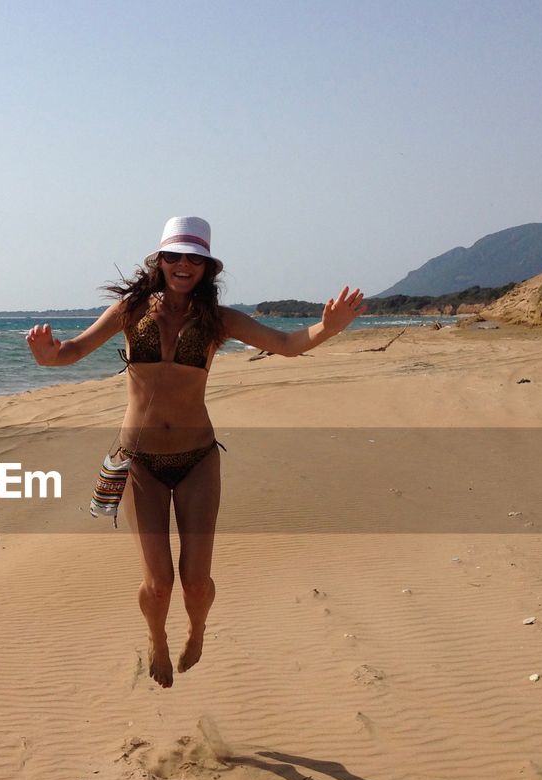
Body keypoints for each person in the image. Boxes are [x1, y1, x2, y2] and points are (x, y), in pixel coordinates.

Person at [25, 217, 365, 689]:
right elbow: (70, 352)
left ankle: (198, 629)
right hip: (139, 462)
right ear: (159, 260)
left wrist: (328, 328)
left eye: (194, 258)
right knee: (158, 583)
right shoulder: (129, 310)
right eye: (174, 256)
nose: (184, 265)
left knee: (196, 582)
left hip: (197, 460)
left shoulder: (218, 320)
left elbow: (287, 344)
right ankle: (157, 640)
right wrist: (45, 354)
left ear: (206, 267)